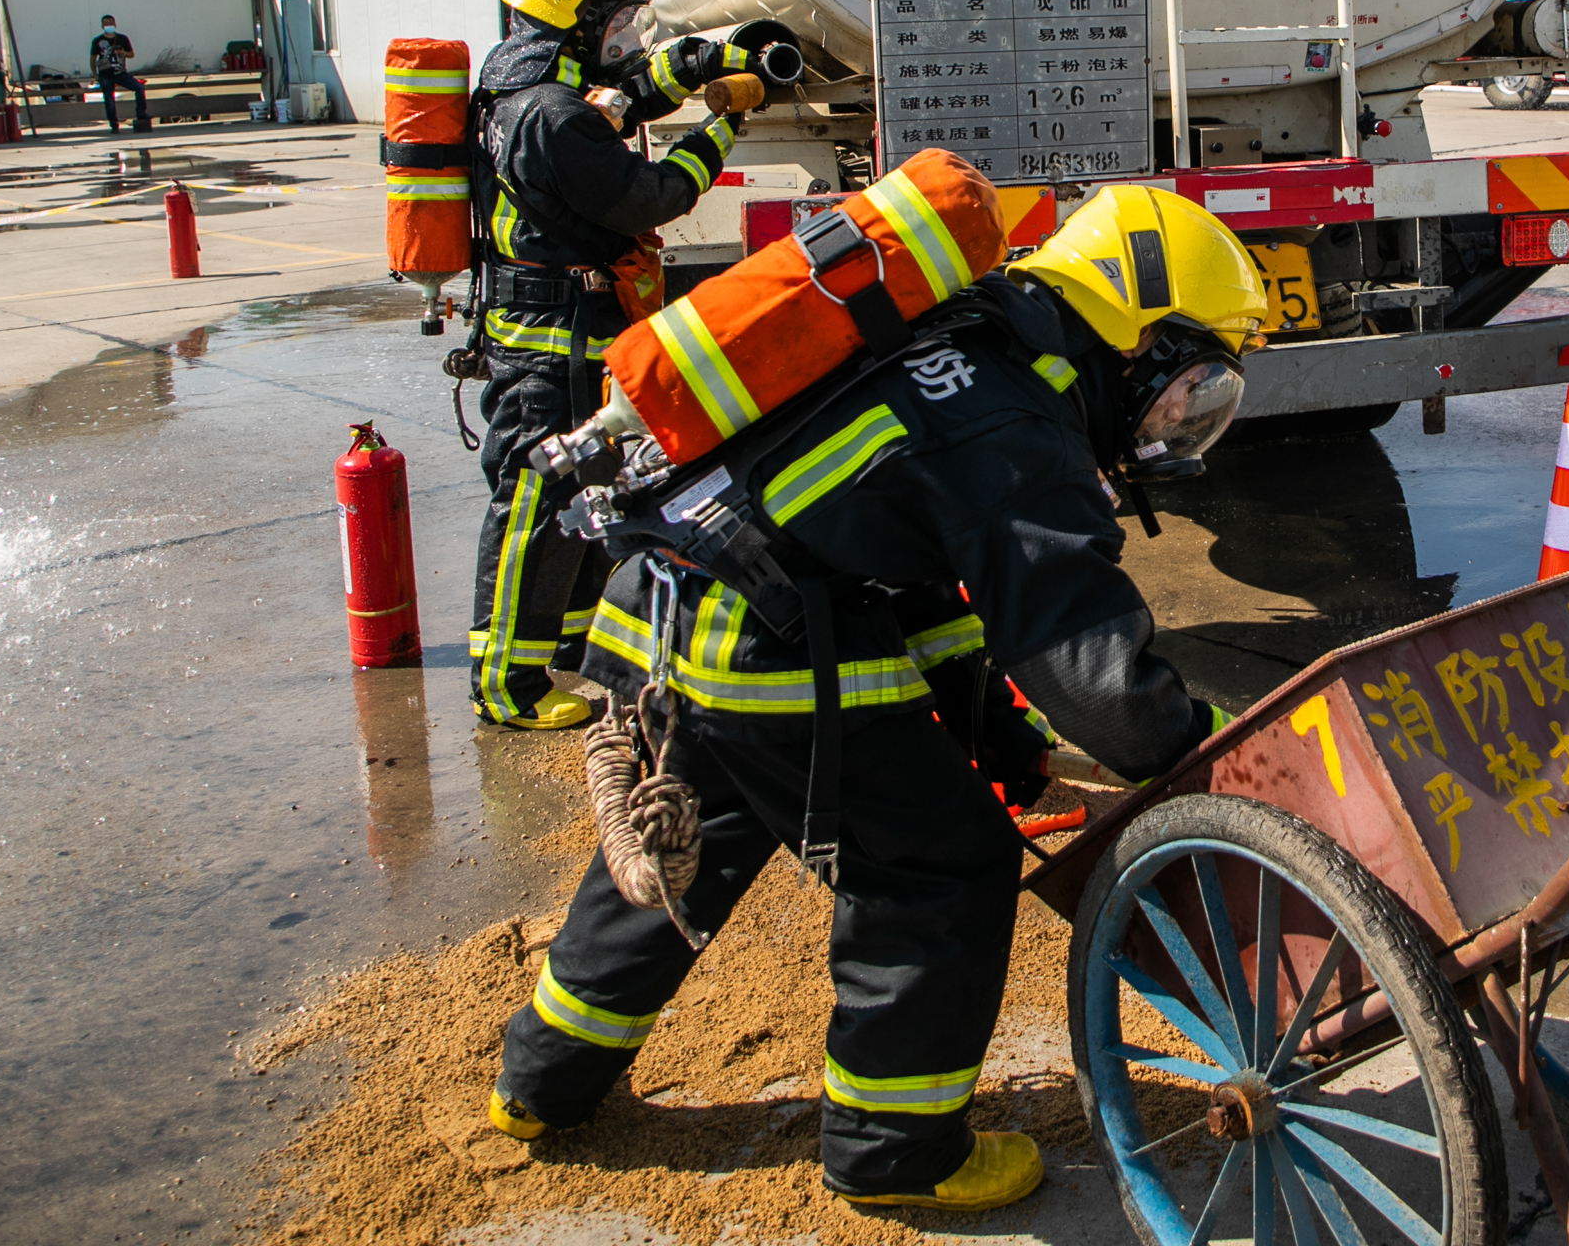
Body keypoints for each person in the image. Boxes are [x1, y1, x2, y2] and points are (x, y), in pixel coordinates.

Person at [485, 183, 1263, 1214]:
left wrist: (998, 738)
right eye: (1187, 388)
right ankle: (893, 1150)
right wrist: (1218, 743)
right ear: (1137, 338)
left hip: (669, 608)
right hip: (766, 639)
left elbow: (920, 583)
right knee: (940, 861)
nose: (1174, 425)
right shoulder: (1014, 415)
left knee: (703, 839)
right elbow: (1083, 659)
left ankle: (539, 1082)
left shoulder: (956, 338)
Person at [464, 0, 758, 732]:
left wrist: (701, 64)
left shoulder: (516, 78)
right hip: (553, 334)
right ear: (581, 15)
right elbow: (647, 196)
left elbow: (614, 101)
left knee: (576, 493)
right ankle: (504, 684)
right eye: (620, 18)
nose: (628, 34)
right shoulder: (551, 114)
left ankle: (556, 641)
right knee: (537, 495)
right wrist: (721, 123)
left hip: (551, 322)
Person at [90, 15, 148, 132]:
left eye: (110, 23)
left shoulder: (122, 39)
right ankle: (114, 124)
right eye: (106, 24)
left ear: (115, 24)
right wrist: (95, 74)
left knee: (139, 88)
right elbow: (92, 58)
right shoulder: (97, 41)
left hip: (121, 73)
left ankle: (141, 113)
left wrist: (123, 53)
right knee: (109, 100)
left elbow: (131, 54)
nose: (108, 26)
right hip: (105, 74)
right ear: (102, 26)